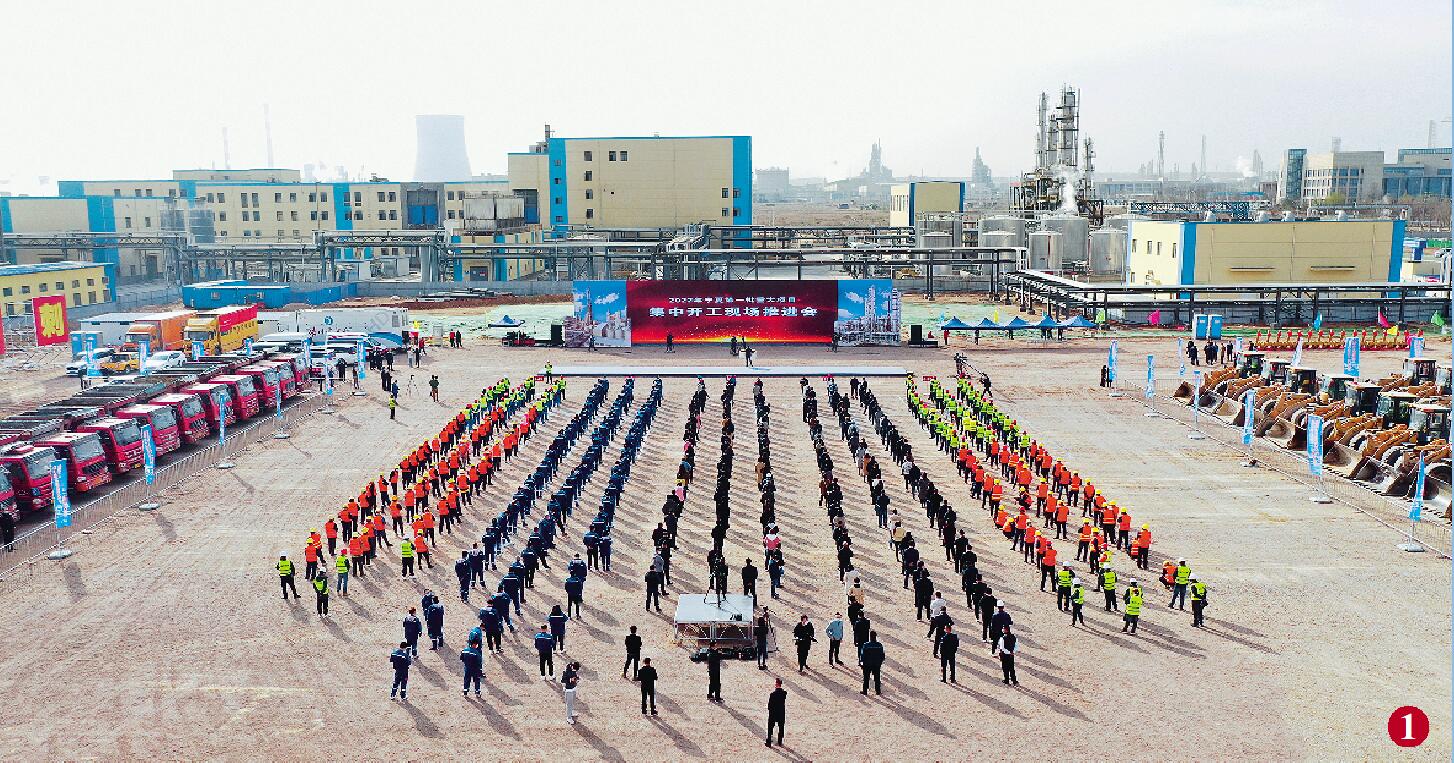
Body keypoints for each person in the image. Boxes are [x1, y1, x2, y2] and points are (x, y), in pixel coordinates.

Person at [858, 630, 885, 695]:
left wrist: (861, 663)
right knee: (877, 678)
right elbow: (882, 655)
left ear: (870, 637)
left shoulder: (866, 645)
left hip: (867, 664)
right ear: (875, 636)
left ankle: (865, 691)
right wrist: (880, 662)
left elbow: (862, 655)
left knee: (866, 678)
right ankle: (878, 691)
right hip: (876, 664)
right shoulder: (879, 645)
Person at [765, 678, 787, 748]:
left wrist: (769, 709)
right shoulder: (784, 693)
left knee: (770, 727)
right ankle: (780, 742)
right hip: (781, 713)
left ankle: (769, 742)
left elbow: (770, 706)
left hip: (773, 713)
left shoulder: (772, 694)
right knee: (781, 727)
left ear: (776, 684)